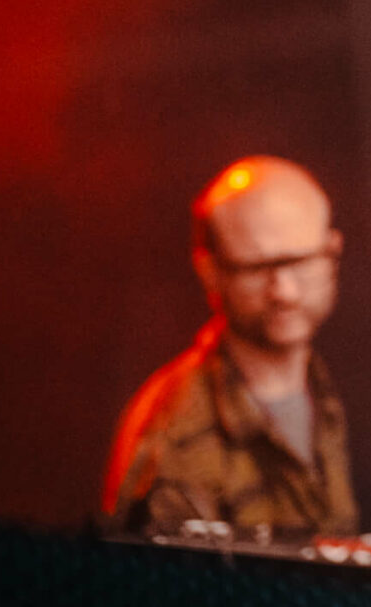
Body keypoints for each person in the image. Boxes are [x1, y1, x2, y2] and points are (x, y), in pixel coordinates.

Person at [101, 157, 356, 538]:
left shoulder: (323, 388)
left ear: (332, 252)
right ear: (211, 272)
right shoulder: (175, 429)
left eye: (301, 261)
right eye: (256, 268)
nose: (284, 292)